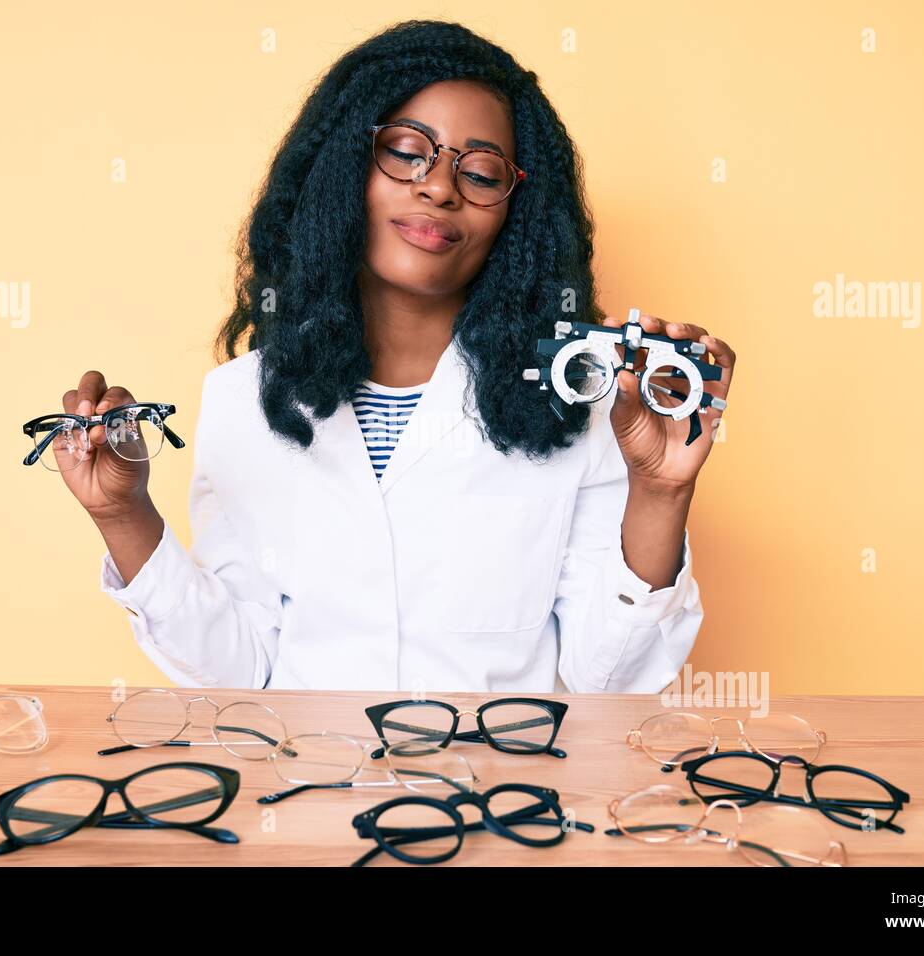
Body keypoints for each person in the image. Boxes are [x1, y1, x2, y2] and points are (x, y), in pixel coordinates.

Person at [53, 20, 735, 693]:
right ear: (345, 170)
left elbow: (609, 681)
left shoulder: (579, 405)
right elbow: (239, 668)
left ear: (514, 213)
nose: (439, 187)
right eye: (409, 151)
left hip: (498, 795)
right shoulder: (242, 400)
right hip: (307, 791)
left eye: (481, 171)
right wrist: (124, 516)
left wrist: (661, 491)